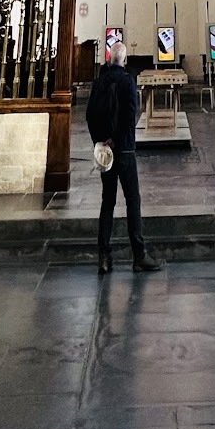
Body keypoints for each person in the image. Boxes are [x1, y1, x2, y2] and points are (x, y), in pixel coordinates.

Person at [86, 39, 162, 275]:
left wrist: (101, 141)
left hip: (106, 153)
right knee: (133, 200)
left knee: (107, 202)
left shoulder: (99, 82)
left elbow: (89, 115)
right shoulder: (128, 80)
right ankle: (139, 255)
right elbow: (130, 116)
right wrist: (117, 140)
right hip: (125, 150)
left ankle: (104, 257)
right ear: (125, 60)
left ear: (109, 58)